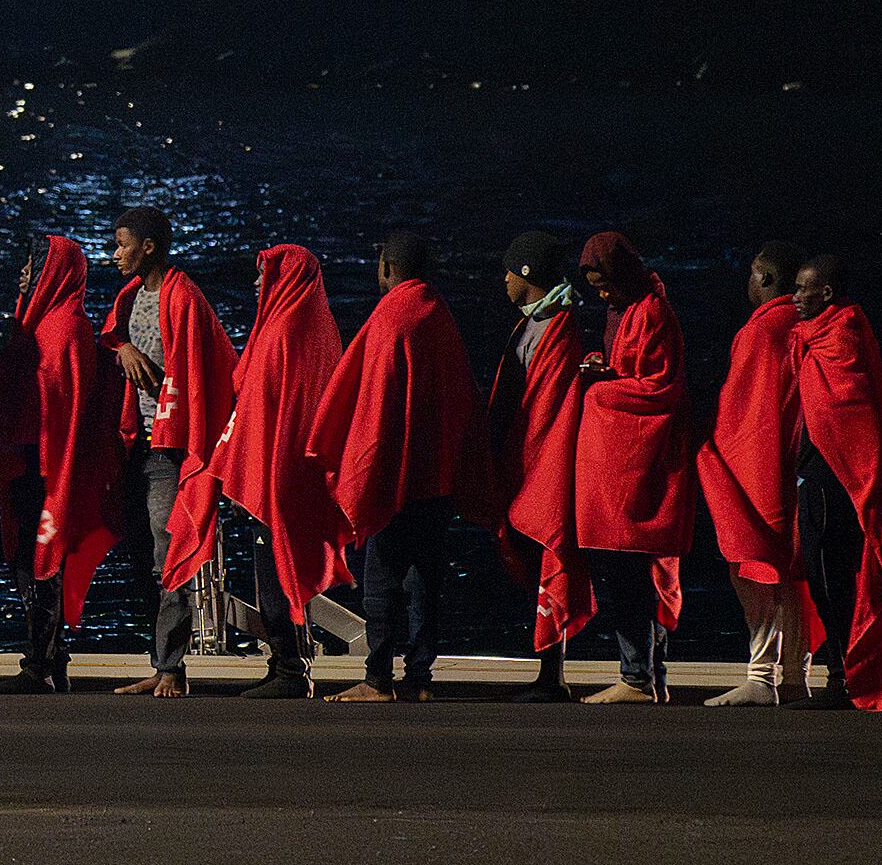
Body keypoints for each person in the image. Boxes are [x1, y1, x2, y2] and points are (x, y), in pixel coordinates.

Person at [305, 235, 483, 702]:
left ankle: (377, 678)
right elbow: (461, 395)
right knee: (426, 581)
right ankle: (420, 679)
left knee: (381, 581)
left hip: (395, 475)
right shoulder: (439, 313)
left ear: (387, 267)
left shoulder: (391, 316)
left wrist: (364, 470)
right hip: (436, 476)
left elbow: (374, 403)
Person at [165, 242, 346, 700]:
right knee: (285, 568)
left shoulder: (281, 332)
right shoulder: (320, 329)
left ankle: (290, 669)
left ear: (283, 278)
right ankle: (289, 663)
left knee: (275, 572)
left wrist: (240, 466)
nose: (256, 283)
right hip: (299, 472)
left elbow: (258, 405)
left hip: (275, 474)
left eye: (263, 273)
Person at [101, 207, 235, 699]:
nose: (116, 254)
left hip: (168, 446)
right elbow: (113, 338)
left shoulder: (183, 297)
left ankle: (173, 668)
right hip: (135, 443)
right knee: (142, 556)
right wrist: (123, 350)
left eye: (122, 244)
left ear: (149, 247)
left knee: (168, 556)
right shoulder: (130, 297)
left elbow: (207, 366)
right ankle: (159, 665)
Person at [569, 231, 694, 704]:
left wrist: (599, 390)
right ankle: (648, 675)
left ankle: (637, 677)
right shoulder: (625, 310)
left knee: (628, 569)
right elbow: (633, 372)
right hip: (625, 464)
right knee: (634, 569)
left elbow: (659, 386)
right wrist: (604, 368)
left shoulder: (653, 313)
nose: (602, 295)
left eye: (606, 285)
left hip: (641, 464)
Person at [0, 234, 122, 691]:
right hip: (35, 461)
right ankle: (51, 661)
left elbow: (63, 410)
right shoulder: (46, 325)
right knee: (30, 559)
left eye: (32, 267)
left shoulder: (62, 330)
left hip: (47, 466)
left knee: (39, 562)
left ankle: (40, 666)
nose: (24, 276)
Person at [692, 243, 810, 706]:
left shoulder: (761, 331)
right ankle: (796, 677)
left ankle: (761, 676)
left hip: (758, 468)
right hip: (799, 466)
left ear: (765, 278)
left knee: (753, 567)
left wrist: (717, 453)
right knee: (794, 574)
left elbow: (749, 409)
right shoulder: (804, 325)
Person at [790, 254, 882, 710]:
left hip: (833, 476)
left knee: (829, 576)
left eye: (803, 289)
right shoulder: (816, 336)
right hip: (821, 472)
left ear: (826, 294)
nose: (795, 297)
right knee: (825, 576)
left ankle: (843, 677)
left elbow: (846, 408)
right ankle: (843, 673)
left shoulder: (842, 336)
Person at [489, 231, 598, 700]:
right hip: (527, 461)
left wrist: (522, 459)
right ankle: (547, 672)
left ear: (527, 273)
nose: (504, 279)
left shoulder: (556, 327)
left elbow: (548, 406)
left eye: (510, 271)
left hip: (542, 465)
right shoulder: (535, 321)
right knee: (533, 564)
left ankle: (551, 675)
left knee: (547, 561)